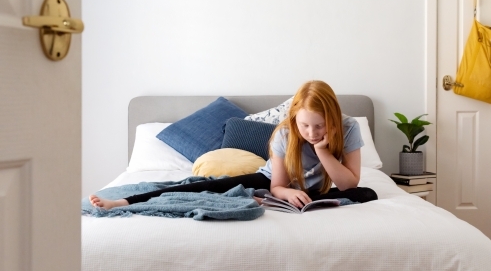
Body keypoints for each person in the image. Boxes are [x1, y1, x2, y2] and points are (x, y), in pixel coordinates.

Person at [89, 80, 377, 210]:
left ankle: (279, 201)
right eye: (305, 125)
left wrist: (322, 151)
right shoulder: (284, 135)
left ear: (334, 120)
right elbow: (277, 184)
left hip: (326, 187)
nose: (312, 132)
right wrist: (285, 193)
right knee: (204, 187)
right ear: (294, 119)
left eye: (320, 125)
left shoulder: (348, 128)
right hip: (277, 182)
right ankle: (125, 202)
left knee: (367, 193)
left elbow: (350, 182)